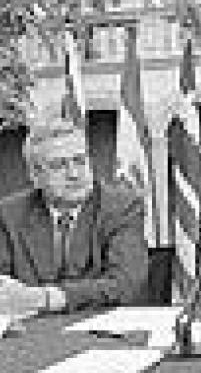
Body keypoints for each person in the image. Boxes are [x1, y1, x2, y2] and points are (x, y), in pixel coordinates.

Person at [0, 118, 148, 315]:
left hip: (101, 327)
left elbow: (125, 283)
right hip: (30, 327)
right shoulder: (8, 214)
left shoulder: (122, 207)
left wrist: (47, 298)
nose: (74, 174)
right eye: (59, 166)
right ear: (35, 176)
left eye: (79, 161)